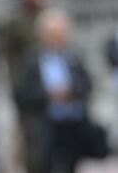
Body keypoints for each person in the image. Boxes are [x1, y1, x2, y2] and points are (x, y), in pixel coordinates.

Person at [17, 9, 92, 173]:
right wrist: (48, 94)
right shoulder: (31, 60)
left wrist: (71, 90)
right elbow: (22, 93)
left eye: (61, 33)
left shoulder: (73, 56)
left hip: (72, 122)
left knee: (71, 163)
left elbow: (87, 84)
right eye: (53, 34)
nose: (57, 38)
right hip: (44, 124)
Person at [0, 0, 48, 172]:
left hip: (50, 88)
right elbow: (9, 57)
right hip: (27, 89)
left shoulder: (48, 15)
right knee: (30, 140)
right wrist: (18, 85)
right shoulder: (16, 21)